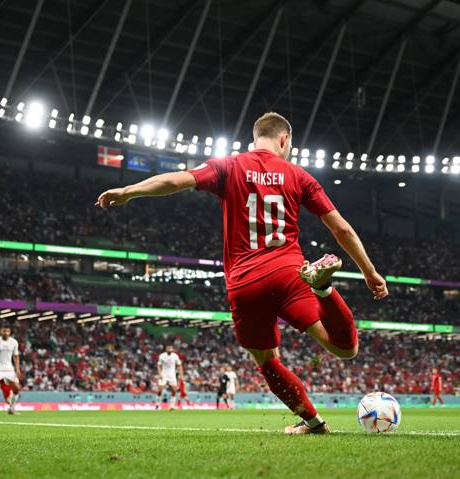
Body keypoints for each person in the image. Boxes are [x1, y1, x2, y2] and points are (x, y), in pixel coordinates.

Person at [96, 112, 388, 434]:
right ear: (284, 140)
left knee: (267, 361)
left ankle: (314, 423)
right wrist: (370, 272)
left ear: (254, 139)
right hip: (289, 273)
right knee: (344, 348)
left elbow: (177, 179)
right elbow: (341, 228)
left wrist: (129, 191)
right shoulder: (298, 175)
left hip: (245, 282)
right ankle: (324, 290)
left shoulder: (228, 165)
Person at [154, 345, 183, 410]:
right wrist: (159, 374)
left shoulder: (175, 356)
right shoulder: (162, 355)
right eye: (168, 348)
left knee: (173, 391)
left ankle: (172, 406)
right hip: (163, 374)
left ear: (172, 349)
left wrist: (181, 375)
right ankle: (157, 405)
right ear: (166, 349)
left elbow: (179, 365)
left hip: (172, 375)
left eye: (170, 348)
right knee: (159, 390)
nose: (169, 349)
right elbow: (158, 365)